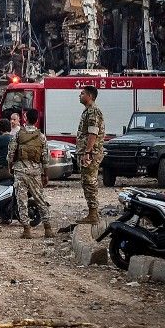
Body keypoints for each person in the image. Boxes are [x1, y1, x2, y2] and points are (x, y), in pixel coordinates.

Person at [8, 108, 52, 239]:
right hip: (35, 172)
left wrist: (10, 167)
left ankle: (27, 229)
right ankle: (48, 228)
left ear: (25, 119)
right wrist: (46, 174)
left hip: (20, 171)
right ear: (37, 119)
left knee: (22, 201)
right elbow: (45, 158)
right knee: (40, 199)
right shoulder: (41, 136)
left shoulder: (18, 134)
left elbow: (11, 153)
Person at [75, 86, 105, 225]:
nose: (80, 95)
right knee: (86, 182)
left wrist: (87, 152)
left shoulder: (93, 112)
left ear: (90, 96)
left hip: (91, 154)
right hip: (88, 153)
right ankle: (91, 212)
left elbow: (93, 133)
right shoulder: (87, 111)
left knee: (90, 182)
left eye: (82, 93)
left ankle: (93, 214)